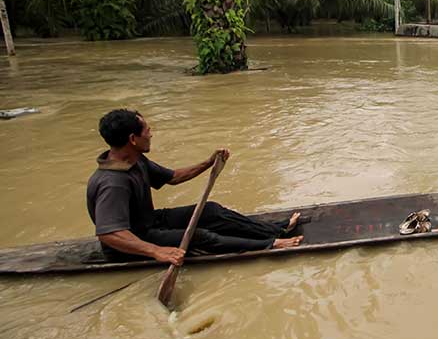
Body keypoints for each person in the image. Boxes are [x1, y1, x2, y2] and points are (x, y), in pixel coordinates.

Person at [87, 109, 303, 266]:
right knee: (200, 236)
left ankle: (277, 229)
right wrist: (157, 251)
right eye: (147, 130)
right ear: (133, 139)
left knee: (211, 211)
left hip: (149, 222)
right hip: (132, 244)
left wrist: (208, 163)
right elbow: (110, 235)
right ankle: (271, 244)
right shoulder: (113, 183)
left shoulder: (135, 159)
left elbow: (173, 177)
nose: (151, 134)